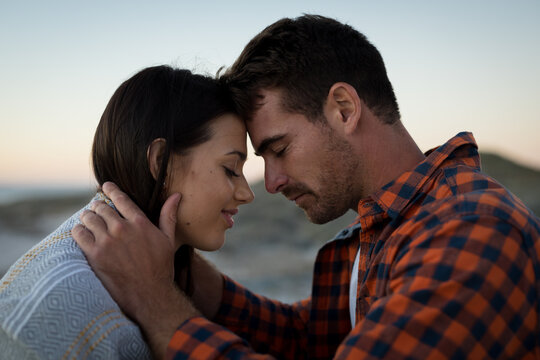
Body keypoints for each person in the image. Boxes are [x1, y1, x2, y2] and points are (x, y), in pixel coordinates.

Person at [73, 15, 540, 359]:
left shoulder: (471, 230)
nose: (270, 183)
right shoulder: (387, 228)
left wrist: (157, 306)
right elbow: (311, 339)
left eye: (279, 148)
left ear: (343, 108)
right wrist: (188, 276)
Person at [0, 65, 254, 359]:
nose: (247, 193)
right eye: (231, 169)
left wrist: (157, 290)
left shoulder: (158, 270)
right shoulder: (56, 305)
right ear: (162, 162)